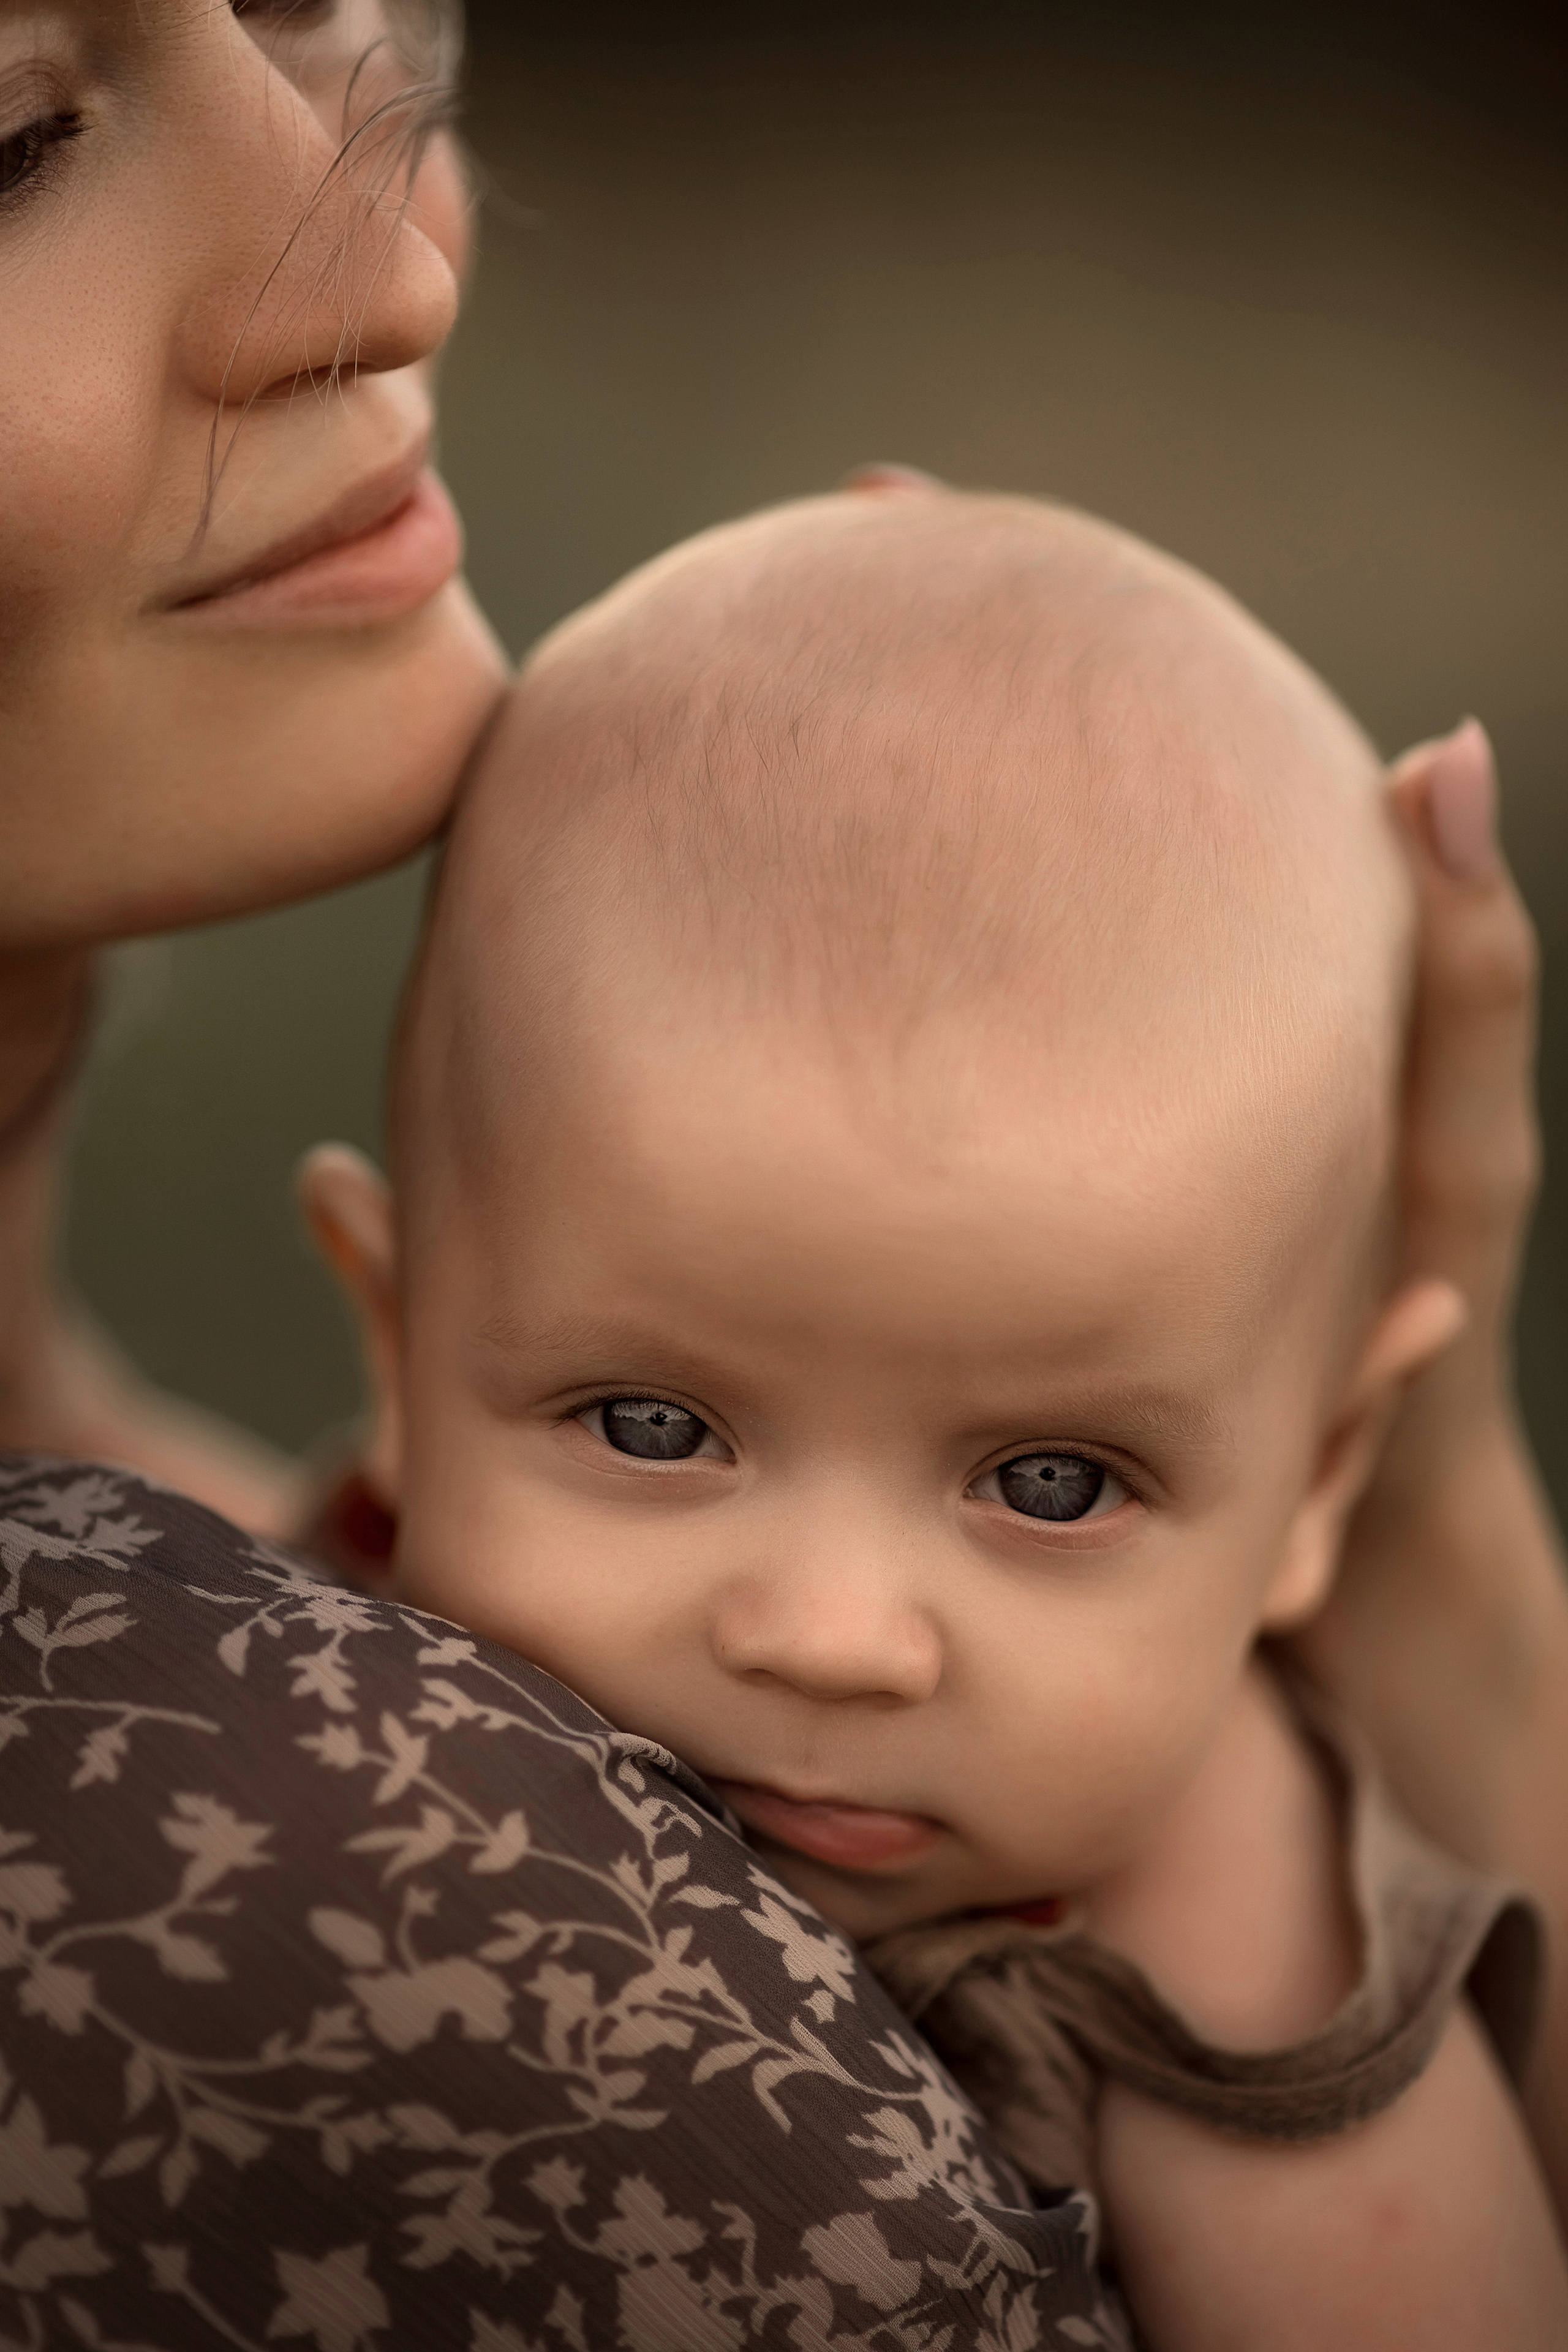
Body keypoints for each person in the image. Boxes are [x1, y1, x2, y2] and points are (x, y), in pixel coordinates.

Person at [2, 2, 1567, 2344]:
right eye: (10, 137)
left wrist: (1431, 1570)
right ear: (391, 1322)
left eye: (301, 3)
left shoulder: (1216, 1922)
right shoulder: (213, 1803)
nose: (393, 254)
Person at [296, 486, 1567, 2346]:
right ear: (394, 1344)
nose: (830, 1639)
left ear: (1323, 1480)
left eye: (1052, 1483)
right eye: (654, 1429)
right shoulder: (258, 1636)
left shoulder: (1231, 1987)